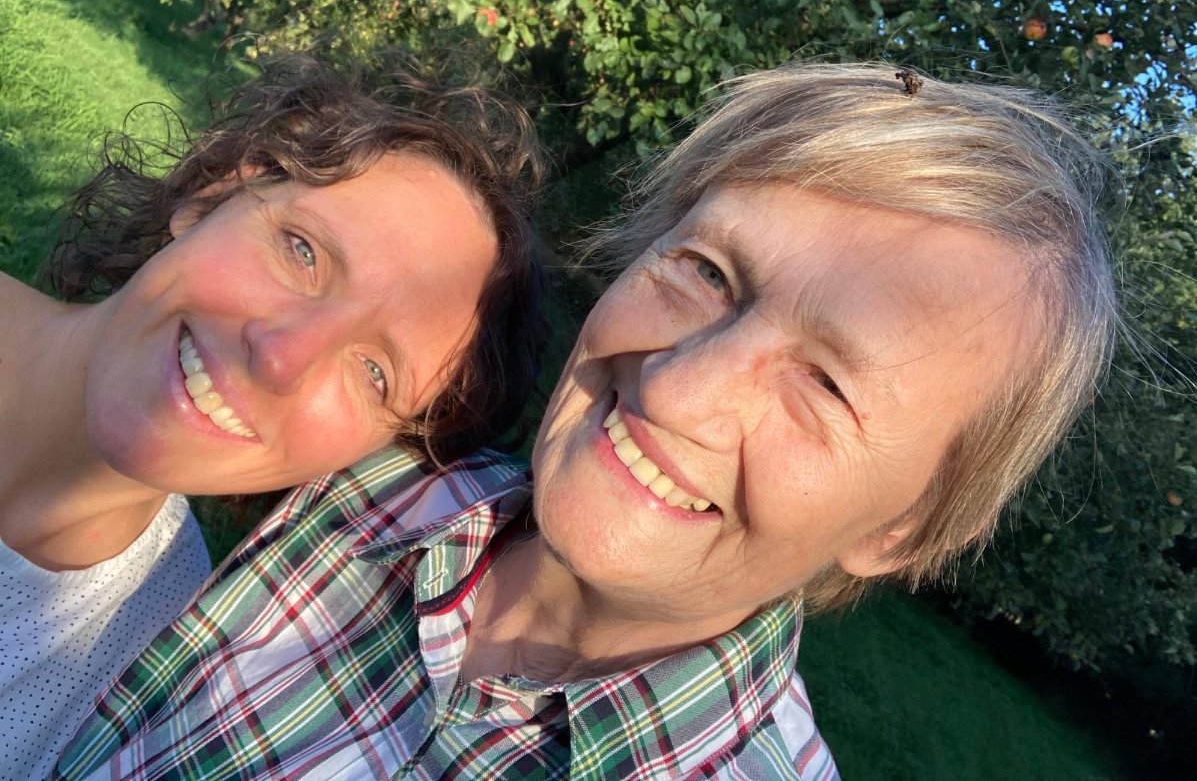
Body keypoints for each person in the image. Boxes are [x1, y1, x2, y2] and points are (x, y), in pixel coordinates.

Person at [55, 64, 1115, 780]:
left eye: (828, 387)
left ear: (906, 528)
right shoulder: (371, 486)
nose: (677, 389)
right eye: (707, 272)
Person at [0, 52, 546, 779]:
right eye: (303, 253)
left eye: (375, 373)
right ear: (212, 195)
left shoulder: (165, 668)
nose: (283, 357)